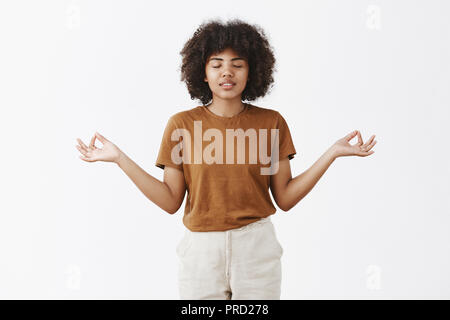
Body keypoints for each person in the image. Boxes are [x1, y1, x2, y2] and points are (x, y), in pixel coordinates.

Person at [75, 18, 377, 300]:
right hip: (201, 253)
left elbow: (284, 197)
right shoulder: (181, 125)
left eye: (237, 64)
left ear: (253, 71)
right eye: (216, 64)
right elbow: (170, 201)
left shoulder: (271, 123)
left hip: (257, 248)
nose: (227, 73)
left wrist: (333, 153)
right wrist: (119, 158)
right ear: (202, 73)